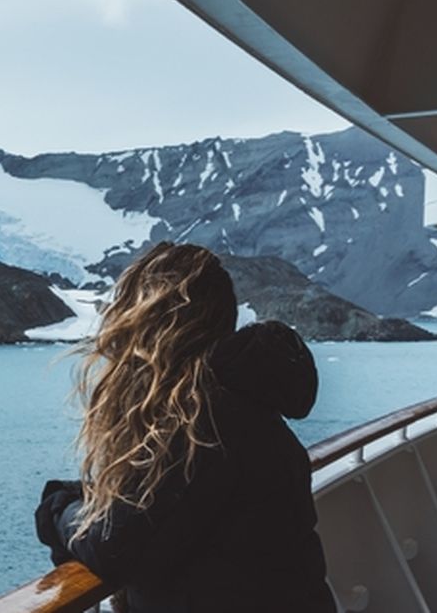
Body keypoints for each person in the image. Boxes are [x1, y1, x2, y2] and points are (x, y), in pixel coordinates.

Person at [33, 242, 335, 612]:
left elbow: (118, 549)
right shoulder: (244, 410)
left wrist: (59, 509)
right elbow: (167, 512)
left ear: (151, 325)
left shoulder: (204, 423)